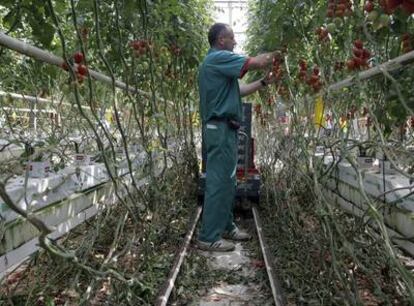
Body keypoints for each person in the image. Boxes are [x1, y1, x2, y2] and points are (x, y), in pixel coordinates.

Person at [197, 23, 281, 252]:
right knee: (217, 182)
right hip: (220, 128)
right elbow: (256, 62)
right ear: (222, 40)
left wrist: (264, 83)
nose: (235, 41)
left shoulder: (219, 66)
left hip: (227, 129)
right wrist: (277, 54)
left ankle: (225, 226)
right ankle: (208, 236)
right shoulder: (218, 57)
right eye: (232, 38)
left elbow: (239, 91)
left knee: (227, 181)